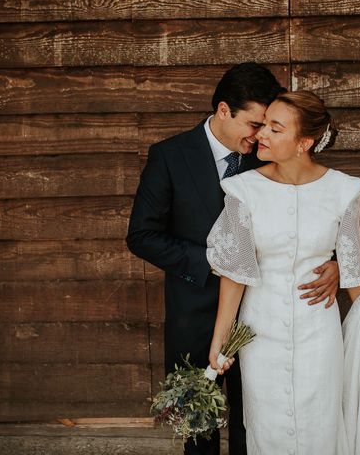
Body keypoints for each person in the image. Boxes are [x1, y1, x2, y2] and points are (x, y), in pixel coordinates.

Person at [126, 64, 343, 455]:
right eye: (254, 123)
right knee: (200, 431)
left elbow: (312, 213)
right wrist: (217, 259)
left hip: (263, 319)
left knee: (254, 422)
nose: (261, 134)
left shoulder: (270, 156)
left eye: (268, 126)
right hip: (194, 314)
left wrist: (336, 262)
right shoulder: (169, 156)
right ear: (224, 110)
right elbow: (141, 236)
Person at [207, 91, 360, 455]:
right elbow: (235, 273)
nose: (261, 135)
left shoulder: (344, 190)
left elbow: (352, 269)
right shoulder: (242, 190)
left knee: (321, 425)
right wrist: (220, 341)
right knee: (266, 429)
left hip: (319, 333)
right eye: (264, 124)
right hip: (259, 334)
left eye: (275, 128)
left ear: (304, 142)